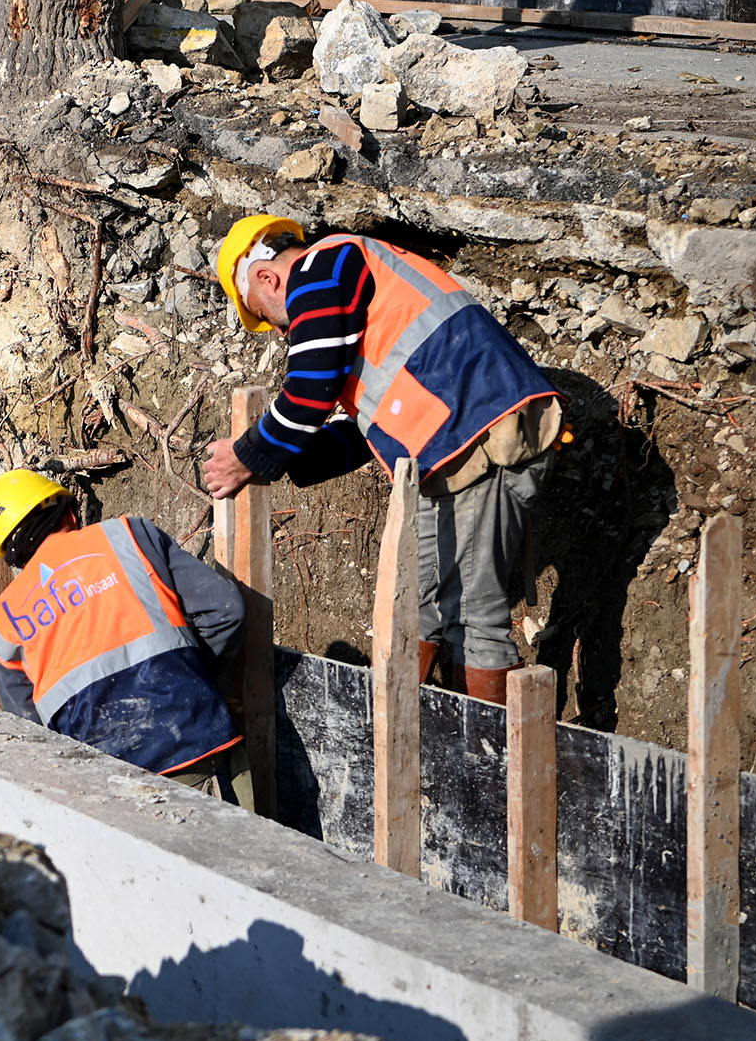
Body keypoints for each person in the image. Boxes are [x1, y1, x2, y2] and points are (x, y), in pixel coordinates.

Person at [202, 215, 564, 705]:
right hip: (452, 446)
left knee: (475, 614)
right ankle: (404, 739)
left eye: (264, 315)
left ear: (267, 278)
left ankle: (484, 766)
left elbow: (310, 385)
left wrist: (249, 455)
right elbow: (363, 431)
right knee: (418, 604)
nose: (274, 327)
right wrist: (287, 459)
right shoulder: (351, 295)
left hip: (483, 431)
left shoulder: (323, 265)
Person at [0, 469, 255, 809]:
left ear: (12, 555)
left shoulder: (1, 627)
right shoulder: (129, 537)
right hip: (197, 757)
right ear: (71, 513)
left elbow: (36, 742)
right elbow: (226, 611)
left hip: (103, 802)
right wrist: (192, 676)